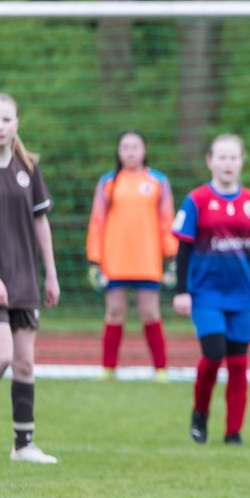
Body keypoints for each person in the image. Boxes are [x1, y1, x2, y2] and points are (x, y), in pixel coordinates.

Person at [0, 92, 60, 464]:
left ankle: (23, 446)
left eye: (7, 119)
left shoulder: (27, 166)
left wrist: (51, 274)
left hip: (24, 277)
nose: (1, 126)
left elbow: (41, 222)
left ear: (16, 123)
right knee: (1, 355)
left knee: (24, 362)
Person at [171, 134, 250, 446]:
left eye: (234, 157)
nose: (228, 163)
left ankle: (233, 432)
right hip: (206, 294)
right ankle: (200, 414)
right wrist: (181, 291)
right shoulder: (196, 201)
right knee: (214, 354)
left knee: (238, 364)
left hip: (242, 296)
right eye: (222, 157)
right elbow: (184, 248)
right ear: (210, 161)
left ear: (242, 161)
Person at [85, 130, 178, 381]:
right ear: (119, 151)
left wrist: (172, 257)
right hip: (115, 260)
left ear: (144, 150)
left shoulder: (158, 181)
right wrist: (95, 260)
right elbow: (97, 223)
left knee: (150, 313)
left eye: (135, 147)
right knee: (115, 312)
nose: (130, 151)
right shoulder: (108, 182)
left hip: (147, 260)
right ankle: (108, 369)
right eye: (125, 147)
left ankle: (160, 369)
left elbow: (166, 222)